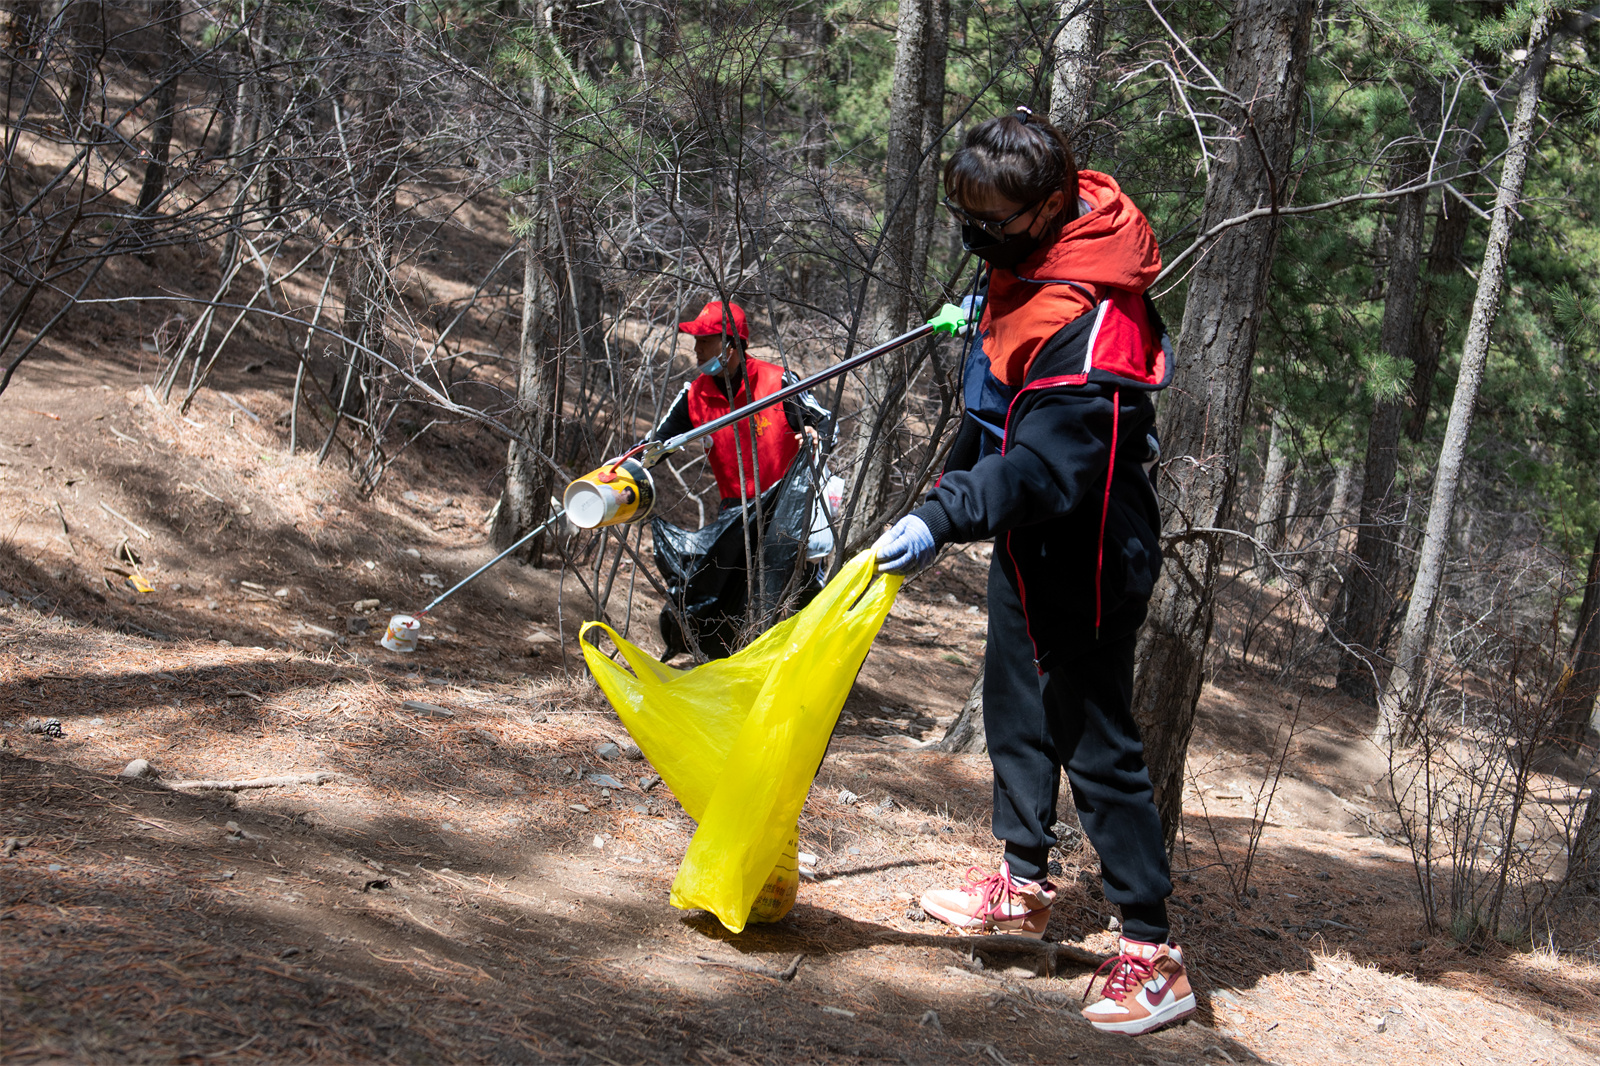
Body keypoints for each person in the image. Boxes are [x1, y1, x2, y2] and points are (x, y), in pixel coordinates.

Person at [873, 107, 1193, 1036]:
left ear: (1049, 206)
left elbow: (1051, 466)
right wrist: (951, 486)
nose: (977, 236)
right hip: (1027, 537)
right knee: (1014, 704)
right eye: (963, 213)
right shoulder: (1025, 264)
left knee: (1094, 741)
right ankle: (1022, 884)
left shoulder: (1097, 324)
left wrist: (944, 517)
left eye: (994, 221)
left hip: (1089, 545)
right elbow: (997, 412)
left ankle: (1152, 949)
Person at [651, 300, 831, 509]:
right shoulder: (694, 396)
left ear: (732, 343)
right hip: (735, 512)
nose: (696, 349)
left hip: (788, 509)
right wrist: (622, 469)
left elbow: (827, 422)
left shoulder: (779, 382)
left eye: (705, 340)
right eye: (696, 340)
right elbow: (656, 445)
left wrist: (820, 439)